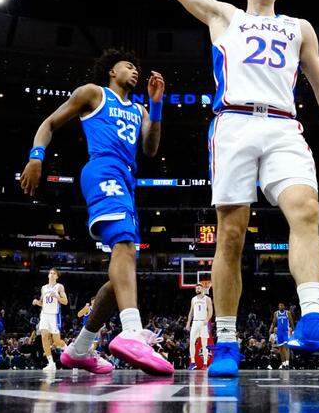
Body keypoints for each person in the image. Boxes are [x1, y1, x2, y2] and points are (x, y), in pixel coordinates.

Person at [157, 0, 319, 378]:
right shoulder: (225, 16)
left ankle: (311, 316)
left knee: (307, 210)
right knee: (230, 236)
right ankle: (228, 342)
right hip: (233, 124)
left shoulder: (298, 28)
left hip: (284, 126)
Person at [20, 49, 173, 375]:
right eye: (129, 65)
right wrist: (36, 157)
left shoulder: (140, 108)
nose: (135, 71)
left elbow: (150, 148)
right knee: (125, 249)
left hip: (128, 181)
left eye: (137, 67)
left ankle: (79, 349)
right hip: (103, 170)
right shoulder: (93, 93)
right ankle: (132, 331)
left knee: (118, 278)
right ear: (111, 70)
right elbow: (49, 123)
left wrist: (157, 106)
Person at [33, 269, 69, 372]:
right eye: (50, 273)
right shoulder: (43, 288)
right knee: (44, 337)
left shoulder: (59, 287)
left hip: (54, 315)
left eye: (54, 273)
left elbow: (65, 302)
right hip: (44, 315)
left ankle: (69, 351)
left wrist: (57, 296)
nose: (52, 275)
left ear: (57, 277)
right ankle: (51, 363)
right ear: (48, 275)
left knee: (57, 342)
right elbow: (42, 303)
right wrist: (36, 302)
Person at [185, 283, 214, 369]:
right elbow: (191, 312)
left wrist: (207, 319)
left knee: (204, 344)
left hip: (203, 322)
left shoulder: (207, 299)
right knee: (192, 342)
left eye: (199, 288)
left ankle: (205, 364)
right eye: (196, 288)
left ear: (203, 289)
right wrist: (188, 323)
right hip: (195, 322)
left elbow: (210, 311)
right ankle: (193, 362)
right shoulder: (193, 299)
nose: (197, 289)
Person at [271, 303, 293, 369]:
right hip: (279, 333)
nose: (280, 306)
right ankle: (283, 364)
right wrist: (271, 328)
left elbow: (291, 321)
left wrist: (293, 329)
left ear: (284, 306)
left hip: (286, 332)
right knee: (281, 349)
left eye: (281, 305)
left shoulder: (287, 313)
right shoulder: (276, 313)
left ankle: (287, 364)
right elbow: (274, 322)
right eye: (279, 305)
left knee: (286, 348)